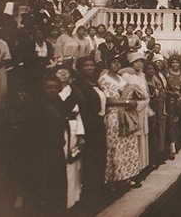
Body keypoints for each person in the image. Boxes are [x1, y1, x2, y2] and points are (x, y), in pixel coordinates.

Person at [98, 57, 141, 189]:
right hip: (113, 115)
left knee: (127, 146)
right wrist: (127, 102)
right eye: (113, 62)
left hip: (125, 115)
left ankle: (126, 177)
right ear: (108, 64)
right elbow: (108, 100)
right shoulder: (104, 79)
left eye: (118, 63)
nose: (116, 65)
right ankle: (113, 180)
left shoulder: (121, 78)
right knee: (115, 146)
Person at [28, 75, 67, 215]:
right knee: (44, 187)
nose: (53, 90)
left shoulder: (58, 103)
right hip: (41, 152)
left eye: (56, 87)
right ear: (41, 89)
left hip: (56, 149)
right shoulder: (36, 106)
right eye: (49, 87)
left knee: (58, 186)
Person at [75, 56, 106, 201]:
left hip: (99, 124)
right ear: (80, 68)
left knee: (99, 156)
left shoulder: (94, 83)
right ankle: (89, 191)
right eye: (86, 65)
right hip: (88, 125)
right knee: (90, 157)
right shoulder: (79, 84)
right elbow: (82, 107)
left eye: (91, 65)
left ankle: (97, 188)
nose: (89, 68)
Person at [55, 67, 85, 209]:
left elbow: (78, 114)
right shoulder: (52, 90)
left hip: (73, 127)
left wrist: (81, 135)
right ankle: (63, 199)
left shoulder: (74, 91)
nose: (63, 73)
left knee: (73, 162)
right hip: (57, 129)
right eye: (59, 70)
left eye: (66, 71)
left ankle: (74, 197)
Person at [121, 53, 150, 175]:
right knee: (135, 135)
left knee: (143, 134)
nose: (139, 64)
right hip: (134, 108)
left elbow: (146, 92)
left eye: (141, 61)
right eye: (136, 61)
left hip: (143, 108)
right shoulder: (126, 75)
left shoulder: (142, 75)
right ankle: (134, 167)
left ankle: (143, 165)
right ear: (131, 63)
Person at [165, 56, 181, 155]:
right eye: (173, 62)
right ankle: (171, 144)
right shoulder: (166, 73)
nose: (175, 64)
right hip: (170, 99)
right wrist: (172, 92)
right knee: (171, 121)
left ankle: (179, 141)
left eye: (177, 62)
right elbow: (164, 86)